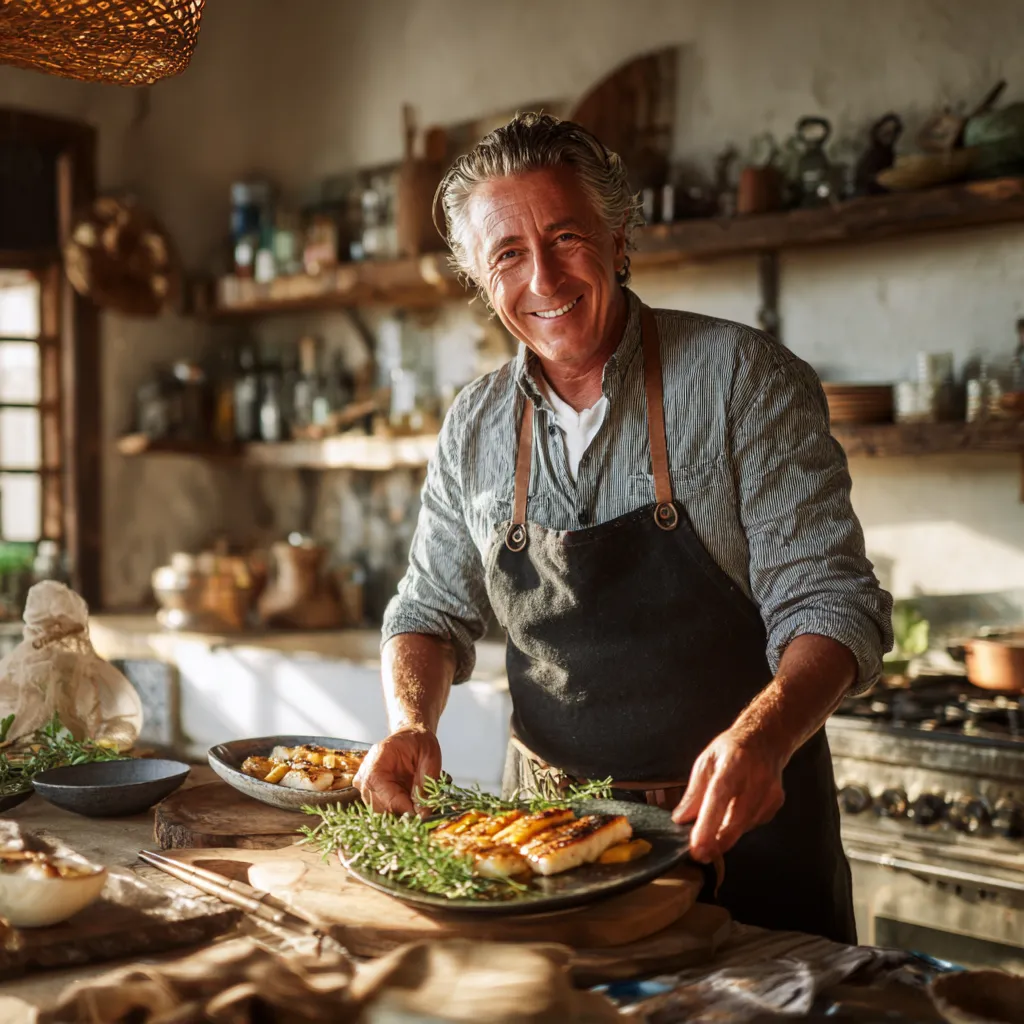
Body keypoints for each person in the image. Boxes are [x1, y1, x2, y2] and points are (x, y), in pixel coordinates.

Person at [354, 112, 892, 942]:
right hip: (541, 846)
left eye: (566, 235)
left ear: (618, 236)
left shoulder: (742, 379)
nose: (542, 276)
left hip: (740, 827)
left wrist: (764, 734)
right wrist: (408, 724)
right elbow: (427, 609)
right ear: (479, 278)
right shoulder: (474, 426)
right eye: (507, 254)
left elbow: (831, 601)